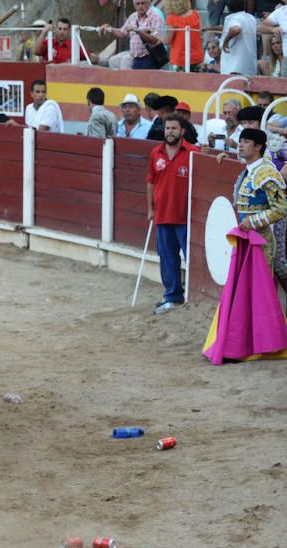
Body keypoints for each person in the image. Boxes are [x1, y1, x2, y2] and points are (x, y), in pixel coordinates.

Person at [146, 114, 199, 314]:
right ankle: (172, 295)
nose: (170, 132)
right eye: (168, 128)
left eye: (174, 128)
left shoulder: (193, 152)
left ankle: (192, 296)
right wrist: (151, 209)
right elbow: (150, 181)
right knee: (167, 257)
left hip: (185, 216)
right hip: (162, 214)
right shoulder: (155, 153)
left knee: (190, 257)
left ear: (182, 131)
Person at [232, 128, 287, 290]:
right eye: (240, 141)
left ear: (258, 147)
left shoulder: (266, 172)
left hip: (262, 239)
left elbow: (281, 208)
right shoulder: (250, 171)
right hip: (247, 237)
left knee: (262, 284)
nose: (241, 145)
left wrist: (254, 221)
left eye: (246, 142)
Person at [99, 0, 163, 70]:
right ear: (134, 5)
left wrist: (138, 31)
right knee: (115, 61)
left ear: (149, 3)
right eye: (137, 4)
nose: (140, 6)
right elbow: (122, 33)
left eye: (143, 3)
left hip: (149, 58)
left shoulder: (155, 17)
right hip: (136, 58)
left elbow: (155, 40)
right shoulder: (133, 16)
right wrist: (109, 28)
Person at [220, 0, 257, 75]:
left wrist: (226, 41)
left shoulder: (234, 18)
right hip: (249, 68)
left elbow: (236, 29)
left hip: (234, 70)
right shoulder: (251, 18)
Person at [164, 0, 202, 71]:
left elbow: (167, 40)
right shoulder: (195, 14)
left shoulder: (171, 18)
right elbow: (200, 34)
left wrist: (155, 35)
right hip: (197, 56)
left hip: (179, 59)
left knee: (179, 81)